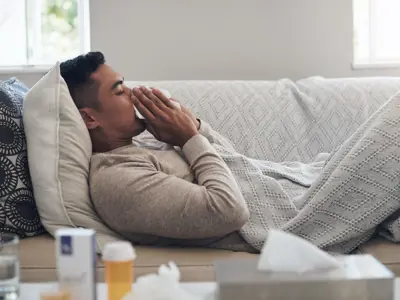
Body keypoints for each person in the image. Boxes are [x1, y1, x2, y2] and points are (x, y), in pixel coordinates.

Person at [60, 52, 400, 254]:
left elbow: (231, 163)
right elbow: (227, 209)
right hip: (295, 219)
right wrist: (189, 138)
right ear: (90, 118)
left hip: (304, 182)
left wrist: (190, 127)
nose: (133, 94)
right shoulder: (116, 181)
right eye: (119, 91)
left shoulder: (145, 144)